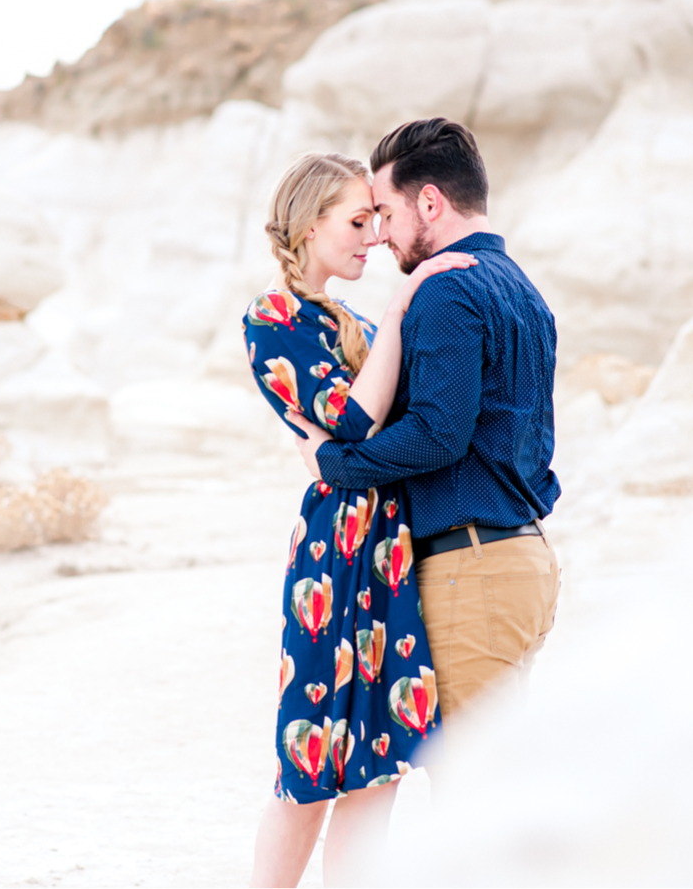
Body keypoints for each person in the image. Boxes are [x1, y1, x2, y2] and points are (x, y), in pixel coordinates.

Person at [243, 152, 476, 888]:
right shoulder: (270, 317)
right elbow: (351, 418)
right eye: (356, 220)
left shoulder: (357, 321)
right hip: (334, 554)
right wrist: (408, 306)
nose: (373, 236)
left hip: (389, 551)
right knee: (310, 766)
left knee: (381, 765)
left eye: (377, 219)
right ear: (310, 226)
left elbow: (399, 427)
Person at [286, 118, 561, 731]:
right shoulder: (522, 289)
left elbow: (439, 433)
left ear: (430, 202)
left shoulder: (445, 292)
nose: (379, 235)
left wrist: (335, 463)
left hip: (474, 569)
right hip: (523, 560)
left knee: (471, 792)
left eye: (384, 212)